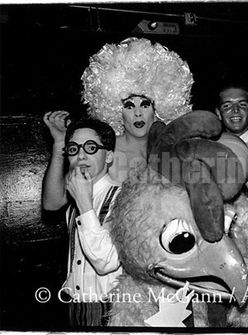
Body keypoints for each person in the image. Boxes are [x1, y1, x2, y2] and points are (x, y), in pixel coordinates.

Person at [42, 38, 193, 211]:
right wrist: (59, 146)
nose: (137, 112)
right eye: (129, 105)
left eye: (145, 105)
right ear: (115, 110)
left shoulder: (172, 151)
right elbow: (53, 203)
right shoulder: (104, 151)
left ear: (157, 109)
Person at [46, 118, 121, 326]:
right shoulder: (74, 203)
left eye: (90, 147)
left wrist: (85, 205)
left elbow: (106, 262)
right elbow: (50, 203)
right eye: (73, 149)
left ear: (109, 156)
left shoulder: (125, 197)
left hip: (111, 314)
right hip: (75, 311)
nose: (80, 155)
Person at [215, 82, 248, 146]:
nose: (236, 110)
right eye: (227, 106)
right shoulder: (211, 147)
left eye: (242, 105)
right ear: (218, 113)